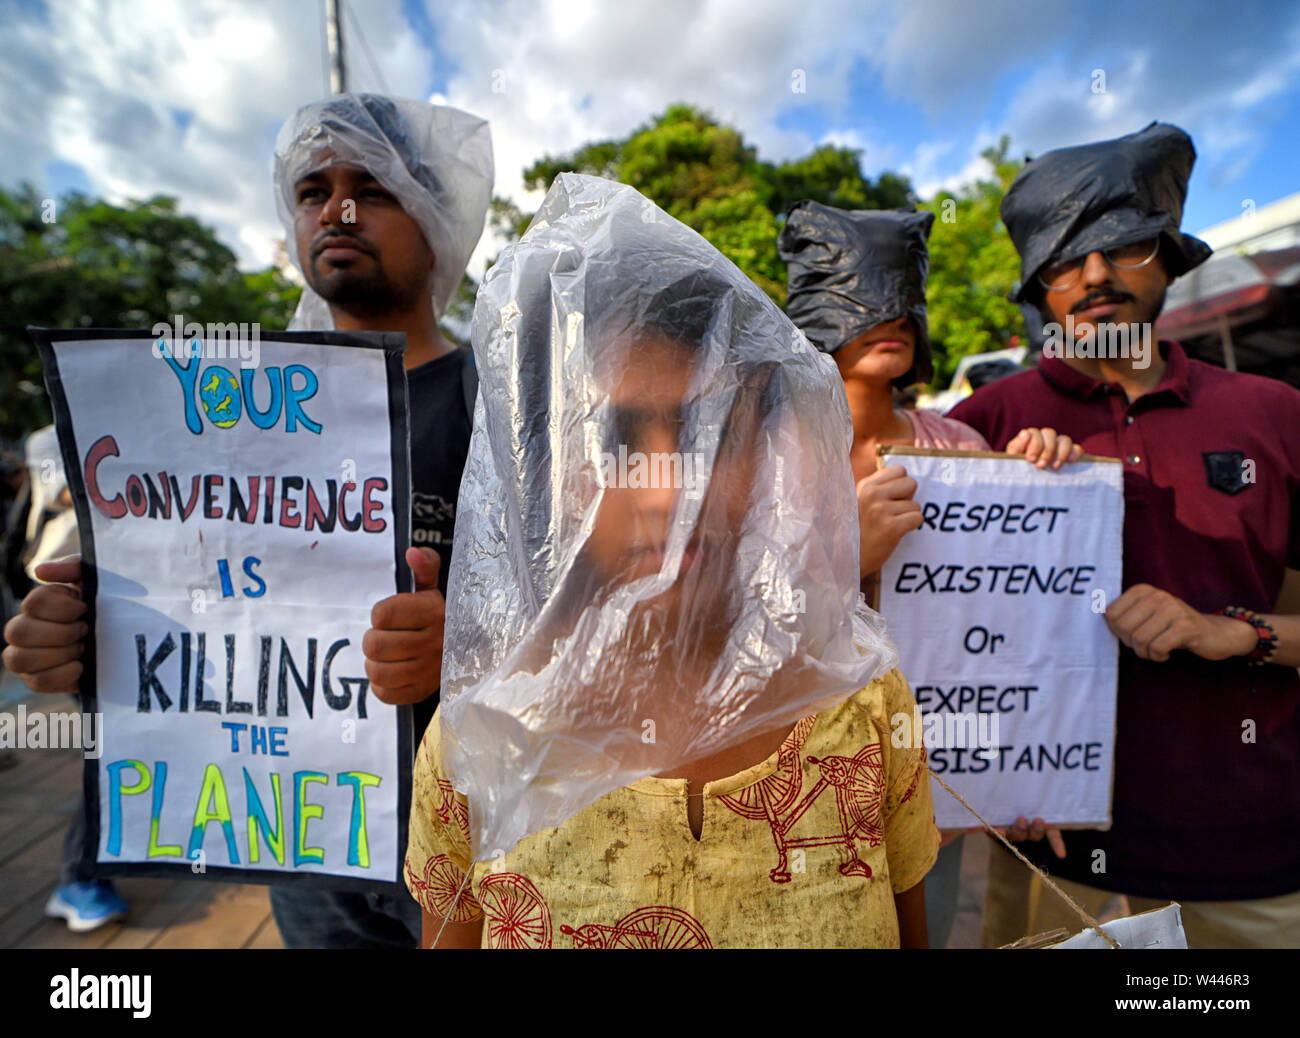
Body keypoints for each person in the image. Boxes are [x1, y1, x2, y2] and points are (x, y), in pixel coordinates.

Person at [1, 93, 493, 948]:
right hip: (304, 851)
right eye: (312, 190)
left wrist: (464, 653)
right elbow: (211, 610)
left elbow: (584, 625)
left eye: (371, 188)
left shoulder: (505, 401)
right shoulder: (228, 425)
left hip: (470, 854)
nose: (336, 209)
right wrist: (92, 644)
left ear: (438, 216)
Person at [407, 174, 940, 949]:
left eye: (706, 434)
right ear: (543, 471)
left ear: (763, 447)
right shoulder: (481, 743)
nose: (666, 490)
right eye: (613, 440)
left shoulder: (864, 704)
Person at [948, 121, 1300, 948]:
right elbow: (922, 640)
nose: (1097, 273)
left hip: (1253, 859)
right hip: (1047, 857)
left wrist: (1230, 632)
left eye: (1125, 246)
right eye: (1067, 256)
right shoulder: (979, 428)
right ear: (1037, 286)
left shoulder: (1275, 414)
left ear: (1172, 256)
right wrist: (991, 770)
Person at [777, 200, 1079, 948]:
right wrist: (850, 556)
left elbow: (1010, 622)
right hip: (796, 782)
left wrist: (1040, 474)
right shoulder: (760, 457)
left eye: (904, 306)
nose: (890, 320)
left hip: (935, 782)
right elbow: (725, 626)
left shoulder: (961, 447)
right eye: (859, 300)